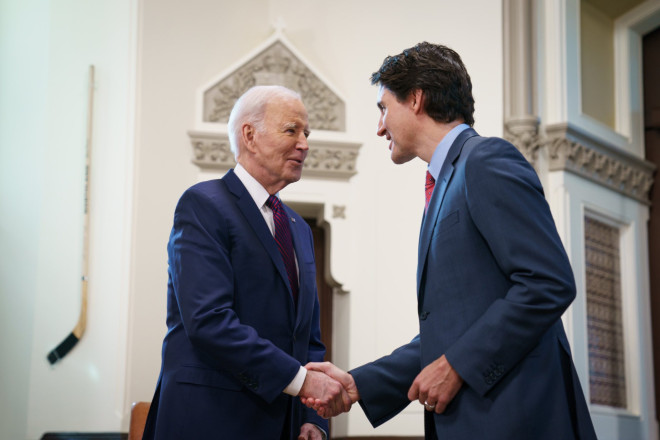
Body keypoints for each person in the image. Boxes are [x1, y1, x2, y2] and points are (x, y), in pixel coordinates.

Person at [304, 42, 598, 439]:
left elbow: (548, 282)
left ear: (417, 99)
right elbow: (451, 330)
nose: (379, 127)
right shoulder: (446, 181)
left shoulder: (486, 160)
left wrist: (458, 365)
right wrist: (360, 384)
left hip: (516, 420)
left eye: (383, 108)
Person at [142, 85, 350, 440]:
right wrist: (301, 382)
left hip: (283, 425)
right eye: (292, 130)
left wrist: (311, 415)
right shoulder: (203, 205)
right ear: (250, 135)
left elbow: (307, 338)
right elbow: (209, 320)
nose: (305, 143)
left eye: (307, 133)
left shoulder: (297, 227)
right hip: (210, 420)